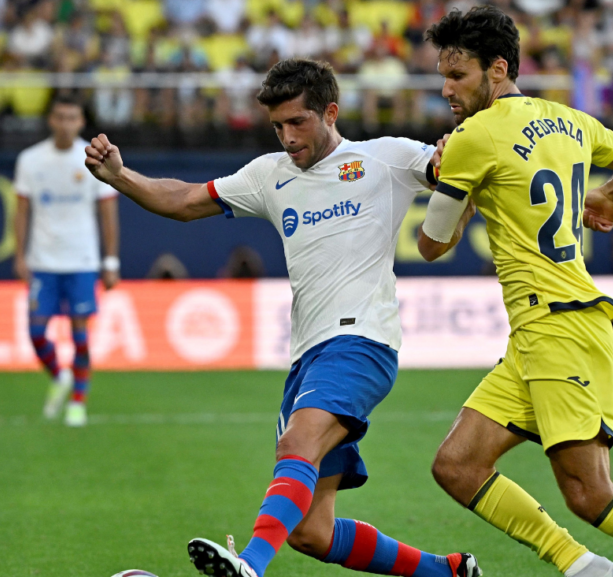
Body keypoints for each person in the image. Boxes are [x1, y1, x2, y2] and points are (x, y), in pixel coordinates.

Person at [83, 58, 481, 577]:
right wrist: (120, 175)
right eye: (278, 126)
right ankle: (448, 571)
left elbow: (455, 169)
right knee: (311, 532)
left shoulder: (385, 158)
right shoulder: (269, 175)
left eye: (298, 122)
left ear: (330, 112)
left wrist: (457, 155)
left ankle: (249, 565)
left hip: (362, 343)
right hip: (307, 356)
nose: (288, 137)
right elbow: (182, 201)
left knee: (297, 444)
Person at [417, 7, 613, 577]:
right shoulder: (570, 120)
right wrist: (607, 196)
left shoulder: (470, 138)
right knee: (457, 465)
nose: (446, 88)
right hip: (540, 334)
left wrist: (446, 180)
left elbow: (432, 243)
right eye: (442, 75)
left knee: (589, 492)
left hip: (557, 323)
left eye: (457, 75)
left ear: (497, 69)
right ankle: (579, 565)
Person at [13, 94, 121, 428]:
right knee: (35, 331)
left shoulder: (91, 159)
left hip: (82, 259)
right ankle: (59, 376)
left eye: (72, 117)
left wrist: (111, 260)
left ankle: (78, 402)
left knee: (79, 334)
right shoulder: (31, 160)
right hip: (43, 259)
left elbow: (108, 212)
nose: (65, 124)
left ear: (81, 122)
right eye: (60, 117)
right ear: (50, 120)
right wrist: (19, 255)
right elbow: (21, 210)